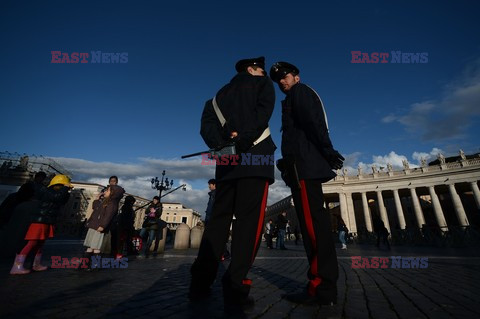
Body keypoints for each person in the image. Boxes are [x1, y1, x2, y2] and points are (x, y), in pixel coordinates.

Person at [189, 56, 275, 308]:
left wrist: (224, 141)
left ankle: (200, 282)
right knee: (248, 223)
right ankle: (235, 285)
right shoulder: (263, 84)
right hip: (255, 158)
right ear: (252, 69)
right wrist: (244, 140)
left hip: (226, 164)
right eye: (261, 70)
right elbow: (262, 115)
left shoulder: (217, 97)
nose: (264, 73)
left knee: (217, 222)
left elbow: (206, 129)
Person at [270, 61, 344, 306]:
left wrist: (327, 151)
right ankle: (320, 284)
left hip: (304, 167)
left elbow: (313, 124)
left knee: (313, 227)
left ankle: (321, 287)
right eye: (278, 79)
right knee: (314, 225)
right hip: (301, 167)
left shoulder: (300, 93)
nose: (282, 81)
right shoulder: (297, 94)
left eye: (285, 76)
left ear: (296, 77)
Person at [10, 174, 71, 275]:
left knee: (40, 243)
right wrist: (65, 189)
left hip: (47, 220)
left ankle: (36, 264)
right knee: (32, 242)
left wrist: (66, 191)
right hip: (39, 220)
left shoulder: (59, 192)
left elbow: (62, 201)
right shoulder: (47, 191)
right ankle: (17, 266)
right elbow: (56, 197)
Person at [83, 184, 125, 269]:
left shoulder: (112, 204)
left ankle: (95, 265)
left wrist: (103, 226)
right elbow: (95, 207)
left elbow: (108, 216)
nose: (105, 191)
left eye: (108, 190)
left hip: (99, 227)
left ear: (113, 193)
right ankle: (85, 264)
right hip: (94, 225)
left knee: (96, 247)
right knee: (90, 246)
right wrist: (97, 199)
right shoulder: (105, 201)